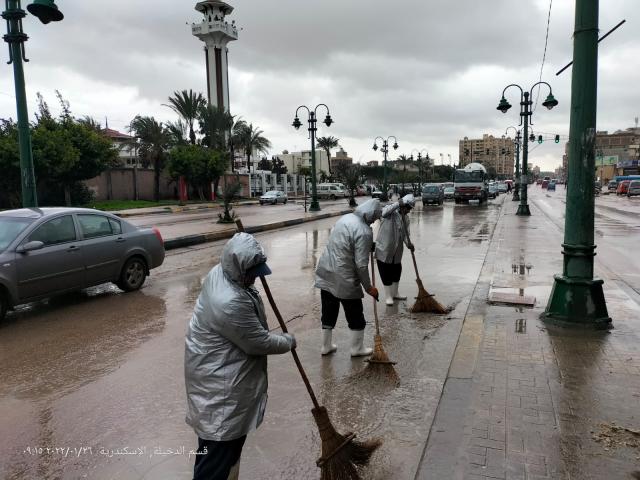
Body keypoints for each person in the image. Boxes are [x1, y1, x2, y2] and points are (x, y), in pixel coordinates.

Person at [184, 233, 296, 480]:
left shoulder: (222, 272)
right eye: (253, 272)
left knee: (217, 452)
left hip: (214, 373)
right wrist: (288, 342)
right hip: (221, 389)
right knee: (217, 454)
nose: (256, 277)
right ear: (239, 268)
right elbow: (258, 342)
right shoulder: (230, 300)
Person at [315, 198, 382, 356]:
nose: (373, 221)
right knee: (355, 314)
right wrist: (369, 287)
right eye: (374, 217)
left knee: (328, 311)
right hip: (345, 278)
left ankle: (326, 346)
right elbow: (361, 265)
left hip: (326, 271)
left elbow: (345, 243)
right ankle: (356, 349)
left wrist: (368, 246)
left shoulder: (345, 218)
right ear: (370, 214)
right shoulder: (364, 231)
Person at [375, 194, 415, 306]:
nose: (409, 211)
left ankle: (395, 293)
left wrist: (409, 244)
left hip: (397, 251)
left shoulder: (405, 218)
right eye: (408, 208)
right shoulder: (390, 214)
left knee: (397, 271)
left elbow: (406, 235)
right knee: (386, 272)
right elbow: (383, 212)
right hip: (384, 249)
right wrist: (398, 203)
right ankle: (388, 296)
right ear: (403, 205)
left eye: (410, 209)